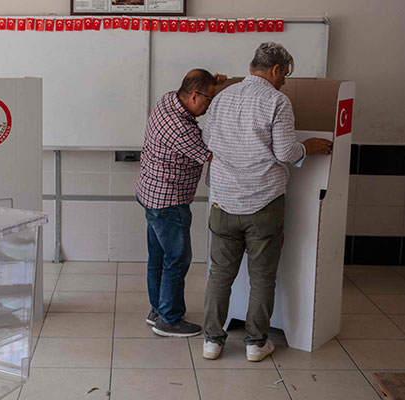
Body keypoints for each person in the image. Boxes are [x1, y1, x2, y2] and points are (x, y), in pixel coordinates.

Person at [201, 42, 333, 360]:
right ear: (275, 70)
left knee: (220, 275)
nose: (285, 81)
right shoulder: (277, 101)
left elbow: (207, 140)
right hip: (263, 204)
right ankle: (256, 344)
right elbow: (285, 152)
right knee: (262, 276)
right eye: (285, 74)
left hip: (222, 202)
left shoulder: (222, 97)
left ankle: (212, 341)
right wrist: (309, 148)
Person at [136, 69, 226, 337]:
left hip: (151, 194)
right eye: (209, 99)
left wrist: (215, 80)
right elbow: (210, 155)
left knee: (159, 257)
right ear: (195, 95)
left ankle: (158, 310)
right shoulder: (181, 128)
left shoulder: (168, 100)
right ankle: (170, 319)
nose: (210, 106)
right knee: (177, 258)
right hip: (169, 201)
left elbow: (193, 78)